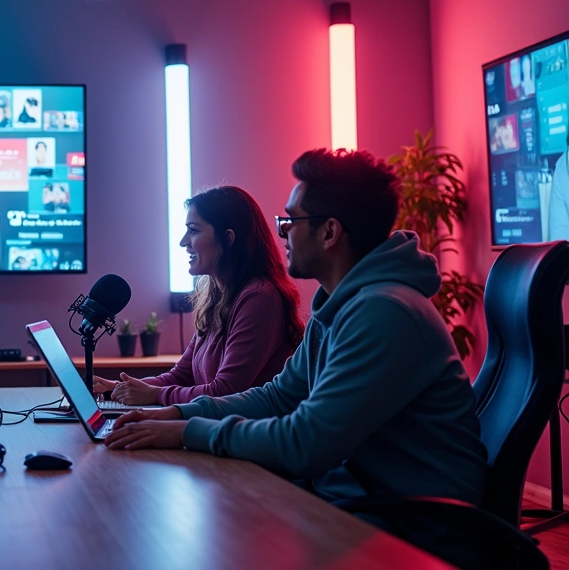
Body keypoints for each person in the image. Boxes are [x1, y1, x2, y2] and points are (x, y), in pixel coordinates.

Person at [106, 149, 487, 554]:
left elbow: (308, 441)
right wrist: (177, 413)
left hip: (417, 528)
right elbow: (279, 395)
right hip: (359, 496)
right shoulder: (341, 303)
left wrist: (187, 430)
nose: (282, 232)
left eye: (290, 220)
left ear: (329, 233)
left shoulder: (385, 312)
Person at [93, 186, 303, 406]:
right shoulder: (217, 297)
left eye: (193, 230)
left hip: (246, 435)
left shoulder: (258, 299)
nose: (183, 241)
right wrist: (119, 388)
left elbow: (226, 391)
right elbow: (181, 377)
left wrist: (155, 395)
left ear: (228, 238)